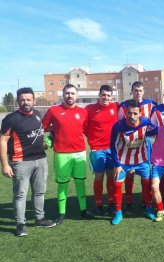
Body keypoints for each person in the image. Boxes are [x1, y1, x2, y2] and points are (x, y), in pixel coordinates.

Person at [1, 87, 56, 236]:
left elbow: (38, 134)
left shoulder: (38, 114)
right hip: (21, 162)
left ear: (34, 101)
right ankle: (20, 224)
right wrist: (5, 164)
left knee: (39, 192)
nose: (25, 102)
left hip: (40, 159)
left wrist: (46, 143)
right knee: (20, 194)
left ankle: (40, 219)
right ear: (18, 101)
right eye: (22, 100)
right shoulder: (11, 119)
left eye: (28, 99)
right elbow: (3, 141)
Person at [42, 84, 94, 225]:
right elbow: (44, 126)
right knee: (63, 184)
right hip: (61, 154)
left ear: (76, 96)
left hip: (80, 153)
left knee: (80, 182)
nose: (70, 96)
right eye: (67, 93)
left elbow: (86, 130)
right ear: (62, 95)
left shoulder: (83, 112)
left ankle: (83, 210)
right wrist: (52, 134)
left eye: (72, 93)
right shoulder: (54, 110)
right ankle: (61, 213)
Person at [110, 100, 154, 224]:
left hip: (141, 159)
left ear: (140, 112)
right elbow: (112, 146)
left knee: (147, 183)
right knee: (117, 184)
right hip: (123, 161)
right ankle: (118, 212)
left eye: (135, 113)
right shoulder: (118, 126)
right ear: (125, 113)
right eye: (129, 113)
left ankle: (148, 208)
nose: (132, 116)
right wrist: (117, 165)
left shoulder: (146, 122)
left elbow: (155, 131)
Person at [118, 81, 157, 211]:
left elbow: (160, 112)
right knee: (129, 173)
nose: (138, 93)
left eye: (140, 90)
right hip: (128, 141)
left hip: (145, 141)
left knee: (145, 171)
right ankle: (128, 199)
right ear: (132, 91)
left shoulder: (150, 104)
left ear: (143, 91)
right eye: (135, 90)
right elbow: (119, 124)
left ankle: (145, 201)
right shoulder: (124, 106)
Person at [85, 85, 119, 215]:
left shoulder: (115, 106)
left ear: (112, 97)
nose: (106, 98)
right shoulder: (90, 109)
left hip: (112, 148)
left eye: (109, 96)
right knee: (99, 176)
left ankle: (110, 201)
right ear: (99, 95)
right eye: (104, 95)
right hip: (97, 149)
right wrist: (93, 139)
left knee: (111, 174)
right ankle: (98, 203)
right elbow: (84, 127)